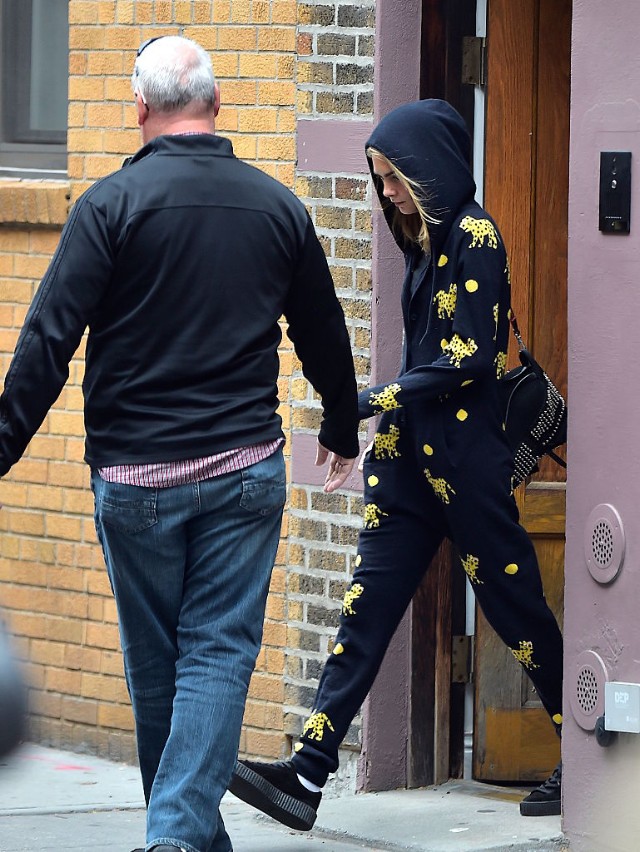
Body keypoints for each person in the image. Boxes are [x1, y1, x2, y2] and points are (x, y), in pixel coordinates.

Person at [0, 36, 359, 852]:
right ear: (218, 105)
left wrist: (3, 444)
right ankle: (188, 838)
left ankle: (174, 837)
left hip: (135, 483)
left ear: (139, 110)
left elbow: (46, 339)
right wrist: (341, 426)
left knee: (161, 667)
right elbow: (323, 332)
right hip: (242, 474)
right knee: (216, 657)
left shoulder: (107, 207)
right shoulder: (277, 207)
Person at [229, 99, 564, 827]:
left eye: (393, 178)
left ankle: (589, 756)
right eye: (379, 178)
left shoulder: (476, 235)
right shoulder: (424, 243)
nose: (386, 192)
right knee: (364, 615)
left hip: (468, 469)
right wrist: (365, 428)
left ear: (429, 169)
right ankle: (307, 775)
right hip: (409, 469)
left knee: (517, 611)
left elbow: (470, 357)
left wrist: (370, 397)